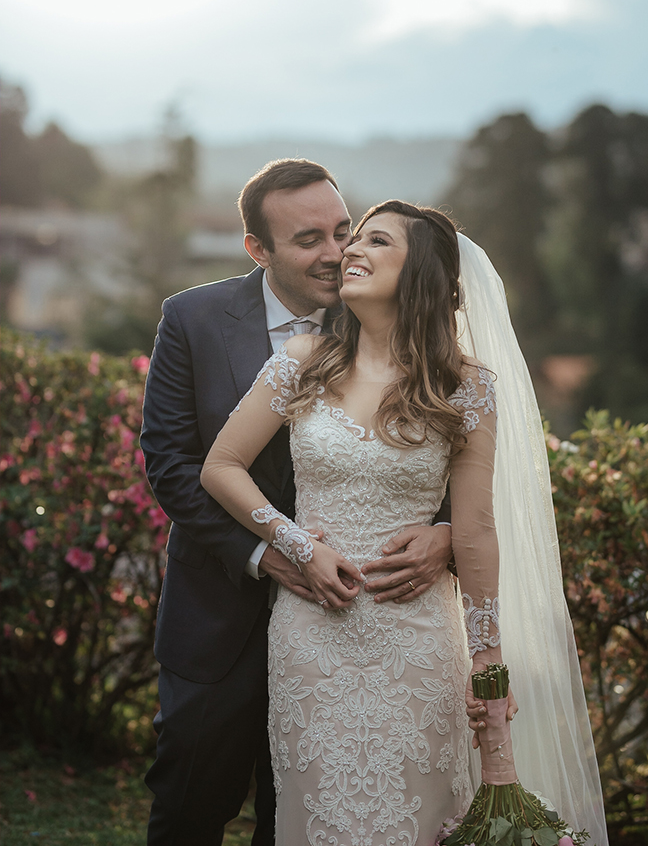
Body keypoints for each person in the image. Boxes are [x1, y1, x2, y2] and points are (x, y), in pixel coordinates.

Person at [201, 200, 609, 846]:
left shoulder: (466, 386)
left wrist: (488, 665)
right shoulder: (304, 358)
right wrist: (297, 541)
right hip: (311, 637)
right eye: (353, 239)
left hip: (418, 642)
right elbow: (222, 465)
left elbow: (473, 531)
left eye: (376, 241)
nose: (350, 250)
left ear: (419, 271)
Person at [140, 162, 453, 846]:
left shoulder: (388, 310)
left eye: (345, 230)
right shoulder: (191, 318)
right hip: (223, 613)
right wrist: (267, 553)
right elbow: (171, 462)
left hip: (355, 626)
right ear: (259, 249)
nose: (338, 252)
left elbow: (446, 435)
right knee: (190, 803)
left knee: (304, 818)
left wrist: (446, 530)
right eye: (310, 238)